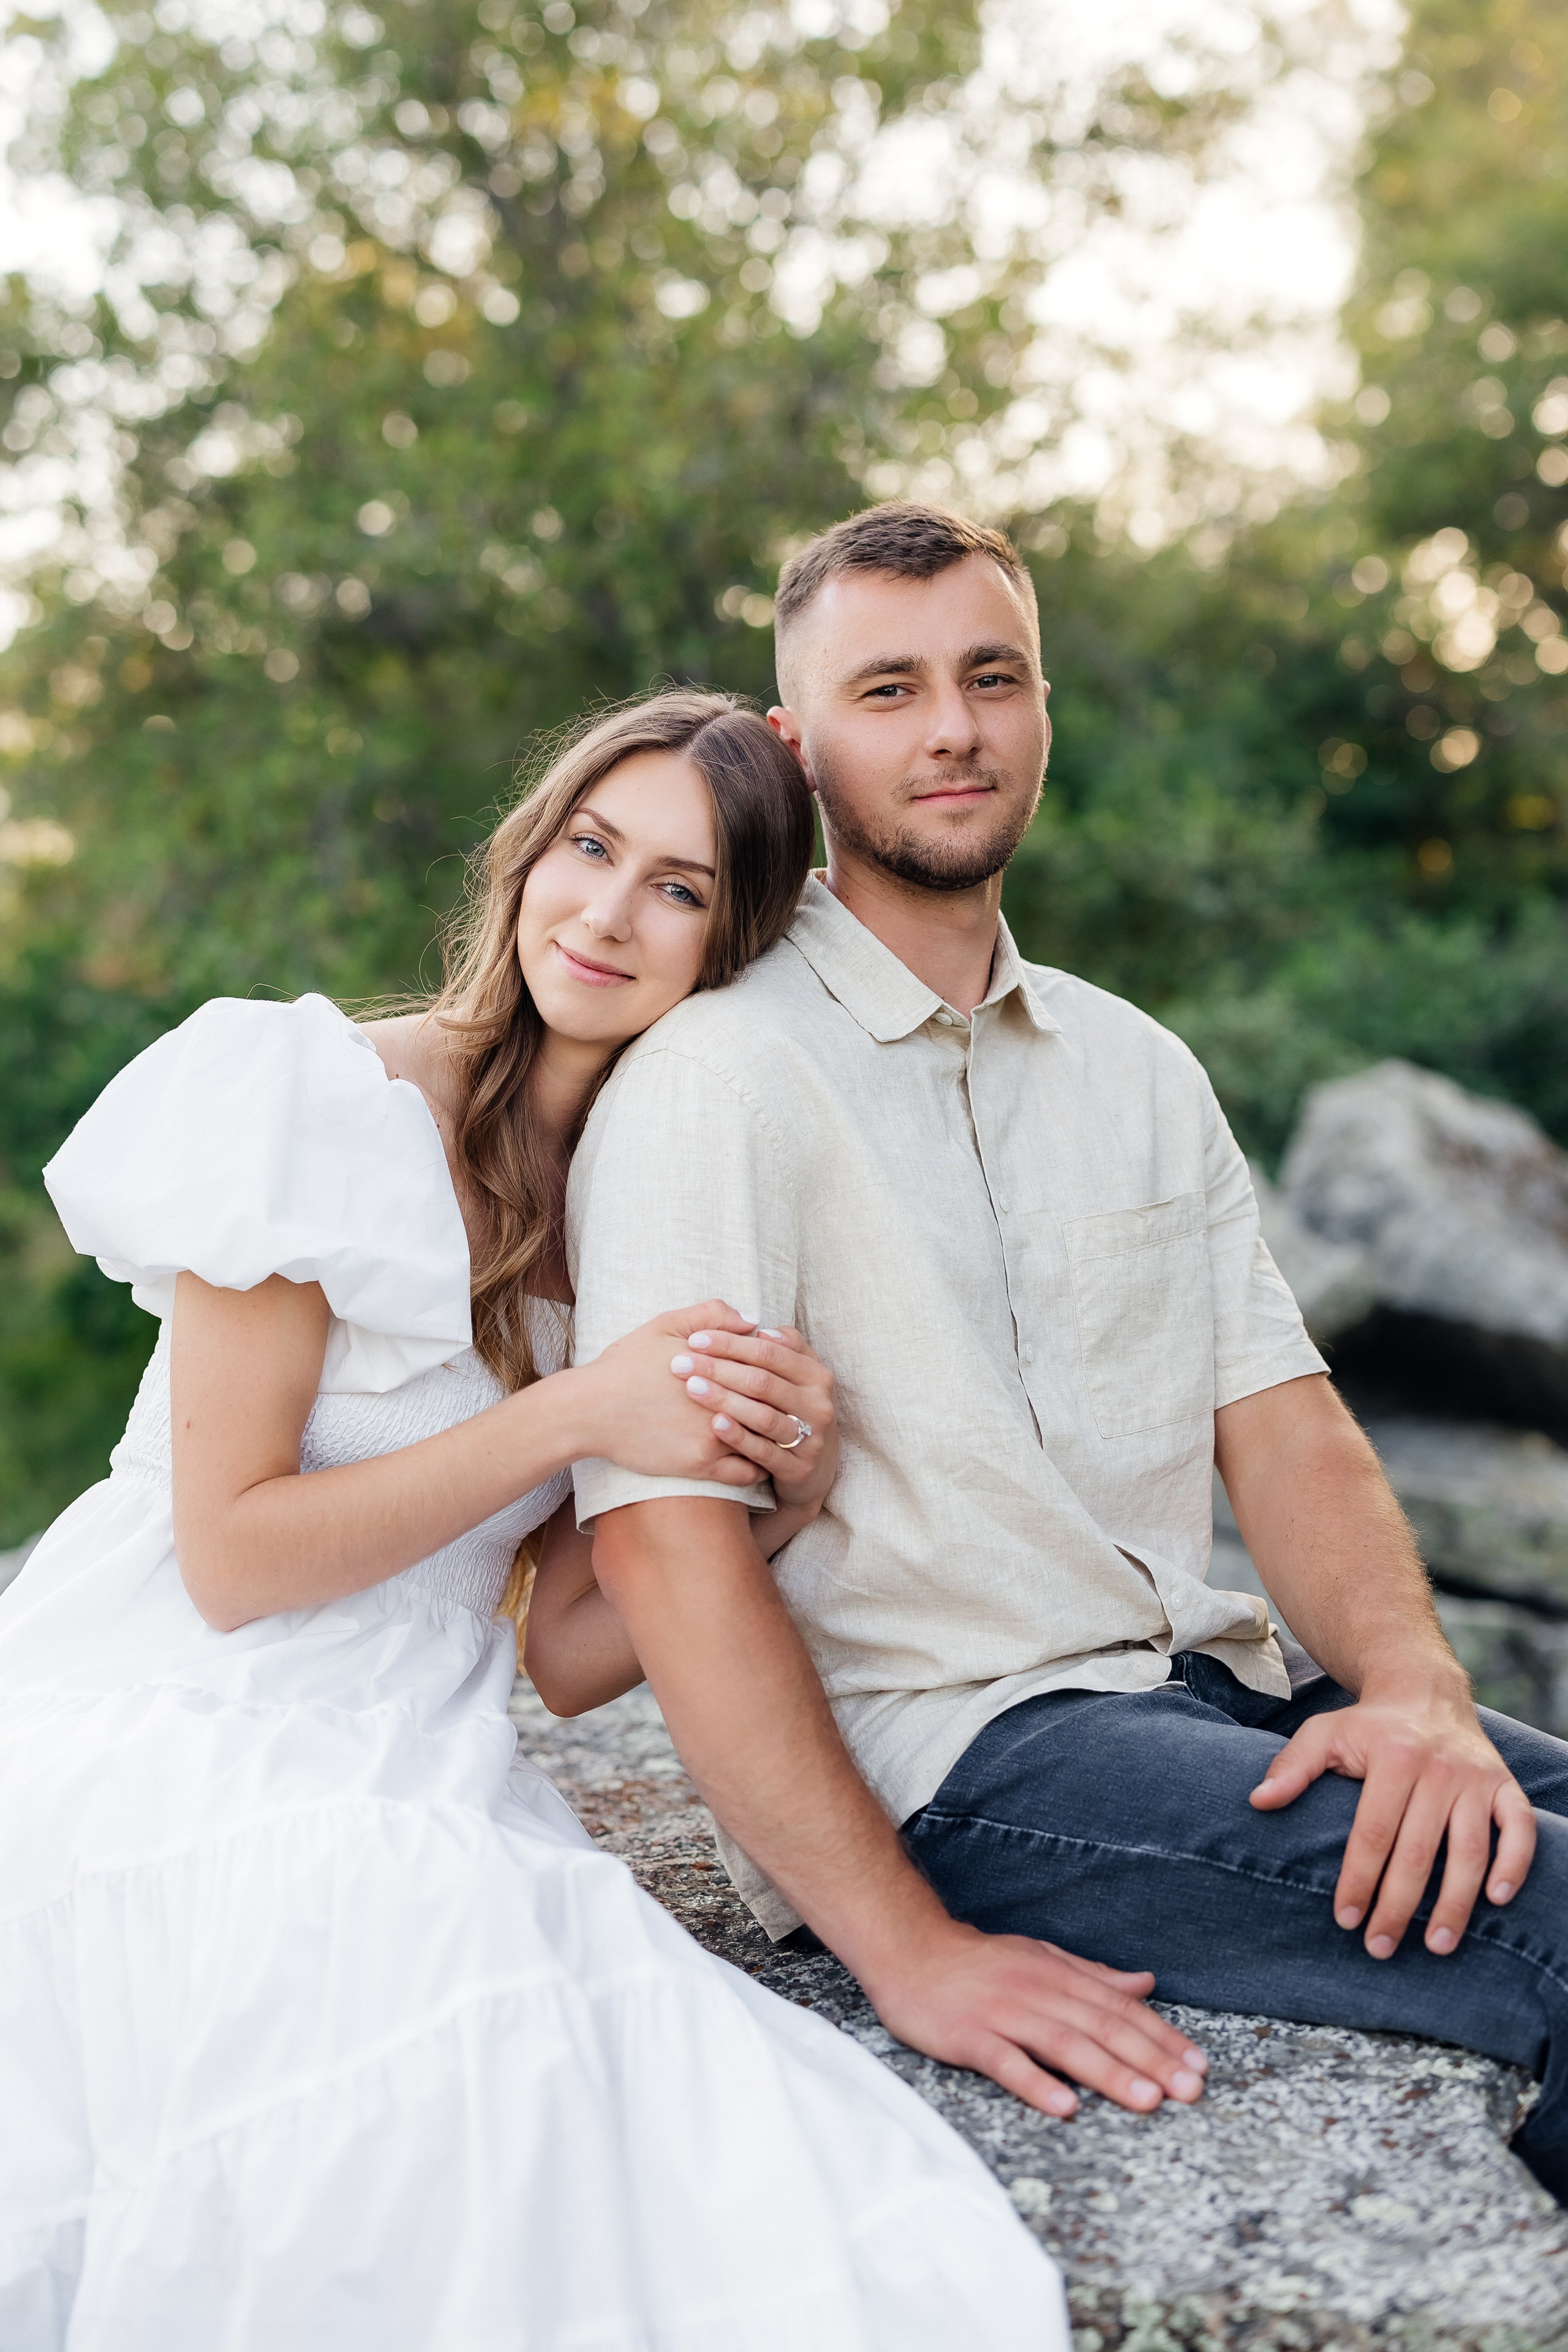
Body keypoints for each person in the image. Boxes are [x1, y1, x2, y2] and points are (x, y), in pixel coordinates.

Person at [0, 689, 1066, 2350]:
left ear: (730, 948)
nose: (608, 913)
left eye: (681, 889)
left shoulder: (651, 1213)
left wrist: (775, 1502)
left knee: (598, 2082)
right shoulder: (323, 1101)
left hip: (406, 1730)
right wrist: (577, 1411)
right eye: (592, 847)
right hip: (162, 1698)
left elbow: (564, 1656)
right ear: (528, 850)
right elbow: (231, 1559)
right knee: (374, 1998)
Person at [527, 507, 1568, 2204]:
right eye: (889, 689)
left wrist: (1415, 1689)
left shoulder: (1136, 1063)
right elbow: (662, 1543)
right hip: (959, 1755)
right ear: (795, 748)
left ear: (1040, 710)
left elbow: (1287, 1426)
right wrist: (907, 1951)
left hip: (1197, 1694)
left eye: (990, 677)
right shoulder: (719, 1076)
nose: (953, 727)